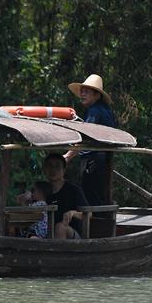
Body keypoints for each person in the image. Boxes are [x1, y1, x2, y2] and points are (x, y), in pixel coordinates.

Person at [64, 73, 116, 205]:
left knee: (90, 198)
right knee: (98, 196)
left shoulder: (95, 111)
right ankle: (99, 222)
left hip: (94, 162)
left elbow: (86, 137)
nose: (82, 94)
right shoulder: (106, 110)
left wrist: (68, 156)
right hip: (104, 161)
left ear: (97, 95)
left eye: (86, 92)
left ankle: (92, 224)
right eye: (82, 91)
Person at [18, 153, 88, 239]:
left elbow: (88, 214)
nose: (53, 170)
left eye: (57, 166)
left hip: (71, 237)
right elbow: (28, 217)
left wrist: (73, 213)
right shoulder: (40, 191)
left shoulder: (73, 190)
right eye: (50, 166)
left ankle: (57, 252)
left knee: (60, 227)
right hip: (45, 235)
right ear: (44, 169)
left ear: (64, 170)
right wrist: (23, 202)